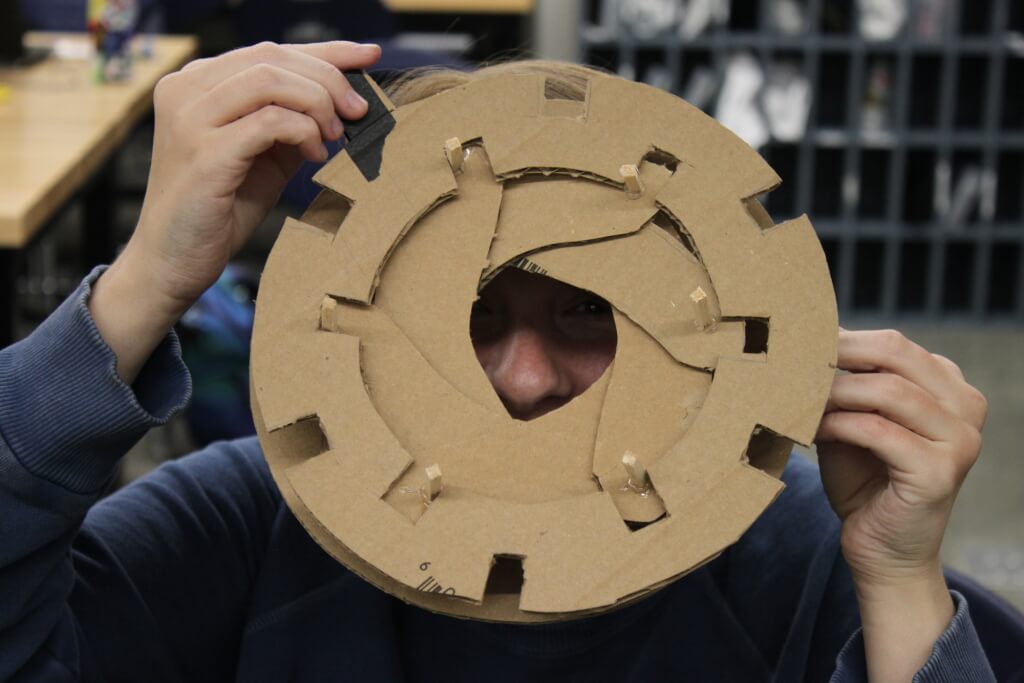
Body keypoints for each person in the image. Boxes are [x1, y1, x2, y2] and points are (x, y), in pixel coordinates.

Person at [0, 41, 996, 682]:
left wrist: (900, 580)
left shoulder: (794, 555)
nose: (524, 381)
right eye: (470, 314)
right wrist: (138, 293)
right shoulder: (254, 521)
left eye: (586, 312)